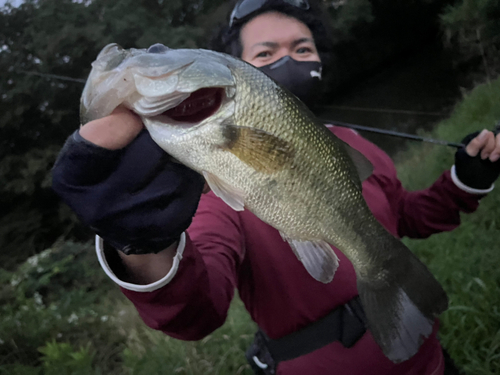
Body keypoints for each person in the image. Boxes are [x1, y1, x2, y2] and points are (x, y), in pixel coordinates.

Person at [52, 0, 500, 374]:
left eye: (301, 47)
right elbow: (198, 312)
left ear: (319, 59)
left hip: (431, 364)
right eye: (265, 54)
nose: (286, 59)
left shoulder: (354, 145)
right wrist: (145, 245)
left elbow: (405, 215)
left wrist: (465, 181)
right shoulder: (208, 189)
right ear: (236, 70)